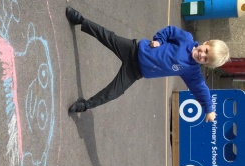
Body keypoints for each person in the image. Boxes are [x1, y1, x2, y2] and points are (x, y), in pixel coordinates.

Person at [66, 7, 230, 122]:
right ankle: (80, 20)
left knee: (112, 93)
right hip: (134, 50)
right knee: (108, 37)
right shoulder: (186, 39)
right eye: (205, 51)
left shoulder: (191, 71)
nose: (202, 55)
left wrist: (209, 109)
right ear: (206, 43)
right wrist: (159, 40)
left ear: (206, 64)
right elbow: (169, 31)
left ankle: (84, 105)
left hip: (136, 71)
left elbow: (201, 89)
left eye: (206, 59)